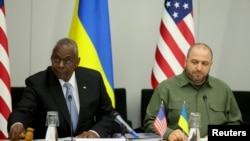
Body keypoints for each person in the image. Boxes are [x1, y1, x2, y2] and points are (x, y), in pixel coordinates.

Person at [7, 38, 120, 140]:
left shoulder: (93, 80)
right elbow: (24, 110)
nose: (60, 65)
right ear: (51, 58)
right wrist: (18, 123)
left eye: (67, 61)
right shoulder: (37, 82)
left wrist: (94, 132)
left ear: (77, 62)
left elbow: (108, 115)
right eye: (56, 59)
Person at [144, 43, 243, 141]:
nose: (199, 68)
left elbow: (236, 123)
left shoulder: (223, 89)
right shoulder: (166, 88)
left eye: (204, 63)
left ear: (210, 65)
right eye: (195, 62)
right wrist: (169, 134)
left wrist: (216, 134)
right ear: (186, 62)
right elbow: (150, 122)